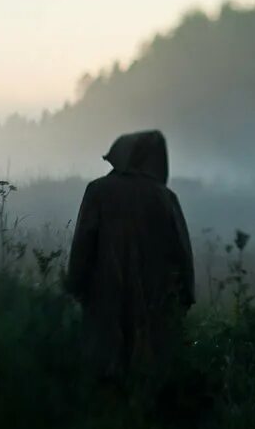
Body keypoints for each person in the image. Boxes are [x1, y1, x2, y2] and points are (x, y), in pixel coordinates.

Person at [66, 130, 195, 384]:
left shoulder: (98, 191)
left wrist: (76, 285)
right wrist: (183, 298)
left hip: (105, 296)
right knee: (149, 375)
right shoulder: (164, 198)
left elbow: (83, 244)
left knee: (106, 374)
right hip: (154, 300)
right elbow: (182, 253)